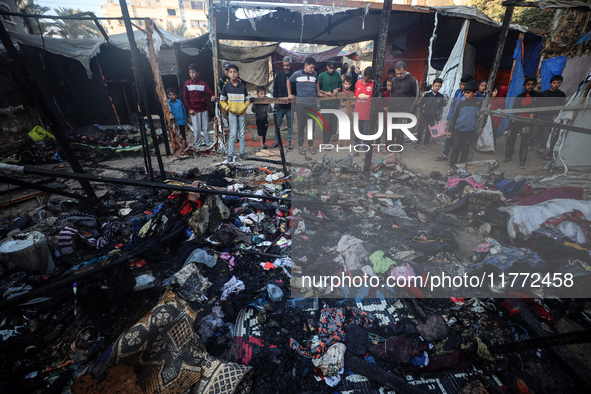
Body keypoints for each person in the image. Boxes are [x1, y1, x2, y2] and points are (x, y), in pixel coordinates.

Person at [503, 77, 543, 169]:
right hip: (516, 120)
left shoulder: (537, 96)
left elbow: (538, 108)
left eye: (532, 84)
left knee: (524, 141)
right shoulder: (519, 96)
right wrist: (529, 106)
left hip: (527, 122)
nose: (530, 86)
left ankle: (522, 161)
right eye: (528, 84)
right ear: (524, 86)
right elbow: (515, 109)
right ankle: (508, 157)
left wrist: (529, 108)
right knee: (510, 139)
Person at [436, 73, 473, 161]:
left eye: (464, 84)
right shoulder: (458, 92)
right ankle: (445, 155)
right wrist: (449, 118)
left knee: (458, 142)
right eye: (461, 84)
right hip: (453, 119)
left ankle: (455, 160)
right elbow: (453, 105)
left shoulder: (471, 96)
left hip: (461, 122)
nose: (462, 86)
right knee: (449, 138)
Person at [287, 56, 319, 155]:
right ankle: (300, 146)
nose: (312, 70)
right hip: (301, 104)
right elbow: (288, 81)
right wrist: (289, 94)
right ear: (305, 65)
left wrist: (318, 91)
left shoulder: (315, 74)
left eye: (313, 68)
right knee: (301, 125)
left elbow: (317, 81)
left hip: (313, 104)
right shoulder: (297, 74)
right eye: (311, 67)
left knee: (311, 125)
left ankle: (310, 145)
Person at [220, 64, 250, 163]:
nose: (233, 74)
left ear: (238, 74)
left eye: (235, 72)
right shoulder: (226, 86)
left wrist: (244, 107)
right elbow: (222, 100)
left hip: (242, 113)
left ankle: (242, 153)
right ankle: (230, 155)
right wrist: (227, 108)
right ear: (228, 74)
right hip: (232, 113)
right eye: (231, 72)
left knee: (242, 133)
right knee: (233, 134)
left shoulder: (242, 87)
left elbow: (247, 99)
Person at [449, 81, 481, 166]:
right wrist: (450, 130)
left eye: (468, 92)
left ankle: (461, 170)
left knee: (465, 152)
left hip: (469, 132)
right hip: (457, 131)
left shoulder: (479, 104)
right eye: (464, 92)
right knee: (455, 150)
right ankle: (453, 168)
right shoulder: (461, 104)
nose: (465, 94)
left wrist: (482, 127)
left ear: (475, 93)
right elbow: (454, 117)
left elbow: (482, 118)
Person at [184, 64, 216, 147]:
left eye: (193, 72)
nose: (192, 74)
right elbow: (185, 98)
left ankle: (208, 141)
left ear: (198, 73)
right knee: (197, 129)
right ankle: (197, 143)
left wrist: (212, 95)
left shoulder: (202, 83)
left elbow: (209, 91)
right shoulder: (187, 84)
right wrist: (189, 109)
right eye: (190, 72)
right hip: (194, 110)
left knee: (205, 128)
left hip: (203, 109)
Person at [388, 60, 419, 147]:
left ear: (406, 70)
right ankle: (390, 148)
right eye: (397, 73)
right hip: (393, 109)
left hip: (404, 110)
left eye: (401, 73)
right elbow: (392, 94)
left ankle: (398, 150)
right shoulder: (394, 80)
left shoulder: (413, 80)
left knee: (399, 131)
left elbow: (416, 96)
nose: (399, 76)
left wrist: (410, 107)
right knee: (391, 130)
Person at [414, 78, 445, 152]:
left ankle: (425, 145)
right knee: (420, 129)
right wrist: (422, 110)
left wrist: (438, 111)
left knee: (429, 131)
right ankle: (417, 144)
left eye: (438, 86)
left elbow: (441, 106)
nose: (437, 87)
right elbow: (421, 103)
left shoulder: (441, 96)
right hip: (424, 115)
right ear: (432, 85)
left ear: (440, 87)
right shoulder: (427, 95)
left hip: (433, 116)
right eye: (435, 86)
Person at [539, 75, 566, 158]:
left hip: (551, 115)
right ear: (550, 83)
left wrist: (556, 115)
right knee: (536, 131)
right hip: (541, 114)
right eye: (554, 83)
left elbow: (562, 106)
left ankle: (542, 148)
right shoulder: (544, 93)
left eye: (558, 83)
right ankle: (532, 145)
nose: (556, 85)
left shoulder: (561, 94)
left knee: (546, 132)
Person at [317, 59, 342, 143]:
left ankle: (330, 137)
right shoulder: (321, 75)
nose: (331, 70)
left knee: (332, 123)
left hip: (334, 103)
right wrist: (325, 92)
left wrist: (336, 89)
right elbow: (318, 89)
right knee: (326, 123)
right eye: (330, 68)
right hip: (324, 104)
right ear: (327, 67)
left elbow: (340, 86)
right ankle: (326, 142)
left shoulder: (337, 75)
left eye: (333, 69)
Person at [271, 56, 294, 150]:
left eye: (288, 65)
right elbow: (275, 89)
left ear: (291, 65)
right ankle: (277, 142)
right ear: (282, 65)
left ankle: (289, 142)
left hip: (290, 106)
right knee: (277, 124)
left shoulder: (294, 75)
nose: (286, 67)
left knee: (290, 125)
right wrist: (276, 100)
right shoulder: (279, 75)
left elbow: (296, 90)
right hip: (280, 106)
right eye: (284, 65)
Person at [353, 67, 374, 150]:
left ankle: (366, 148)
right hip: (357, 112)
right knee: (357, 131)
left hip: (367, 113)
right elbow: (355, 97)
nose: (369, 80)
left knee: (366, 131)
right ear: (364, 75)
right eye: (368, 78)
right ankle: (356, 147)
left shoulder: (373, 85)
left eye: (371, 78)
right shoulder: (358, 83)